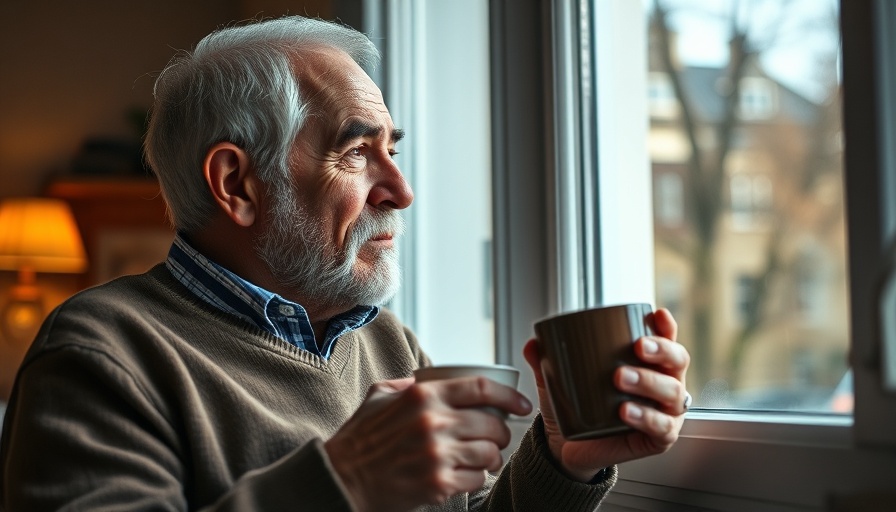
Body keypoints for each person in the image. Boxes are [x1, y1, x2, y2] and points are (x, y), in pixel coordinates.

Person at [0, 16, 690, 511]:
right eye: (358, 153)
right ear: (237, 184)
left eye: (395, 149)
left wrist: (562, 463)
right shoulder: (101, 355)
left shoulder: (389, 344)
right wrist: (344, 481)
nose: (402, 190)